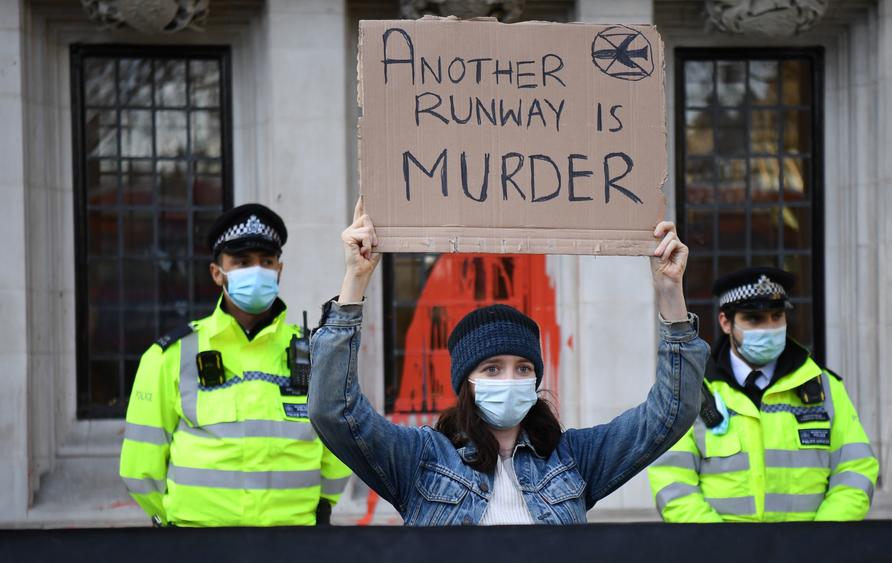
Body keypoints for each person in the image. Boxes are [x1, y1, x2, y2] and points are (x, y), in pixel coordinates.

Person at [306, 200, 709, 525]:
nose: (511, 378)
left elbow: (668, 415)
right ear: (467, 382)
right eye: (492, 368)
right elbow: (334, 412)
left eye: (523, 368)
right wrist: (354, 283)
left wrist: (670, 292)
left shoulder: (573, 458)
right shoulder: (420, 459)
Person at [119, 203, 351, 527]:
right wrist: (172, 520)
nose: (256, 271)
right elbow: (139, 464)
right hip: (200, 544)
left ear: (279, 270)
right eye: (241, 262)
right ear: (217, 272)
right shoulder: (169, 357)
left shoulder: (314, 353)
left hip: (293, 542)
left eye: (266, 262)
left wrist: (321, 509)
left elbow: (339, 449)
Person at [647, 267, 880, 522]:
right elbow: (672, 479)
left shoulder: (825, 387)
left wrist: (820, 542)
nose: (769, 328)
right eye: (754, 319)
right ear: (726, 322)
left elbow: (855, 469)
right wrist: (719, 548)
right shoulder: (693, 392)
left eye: (776, 316)